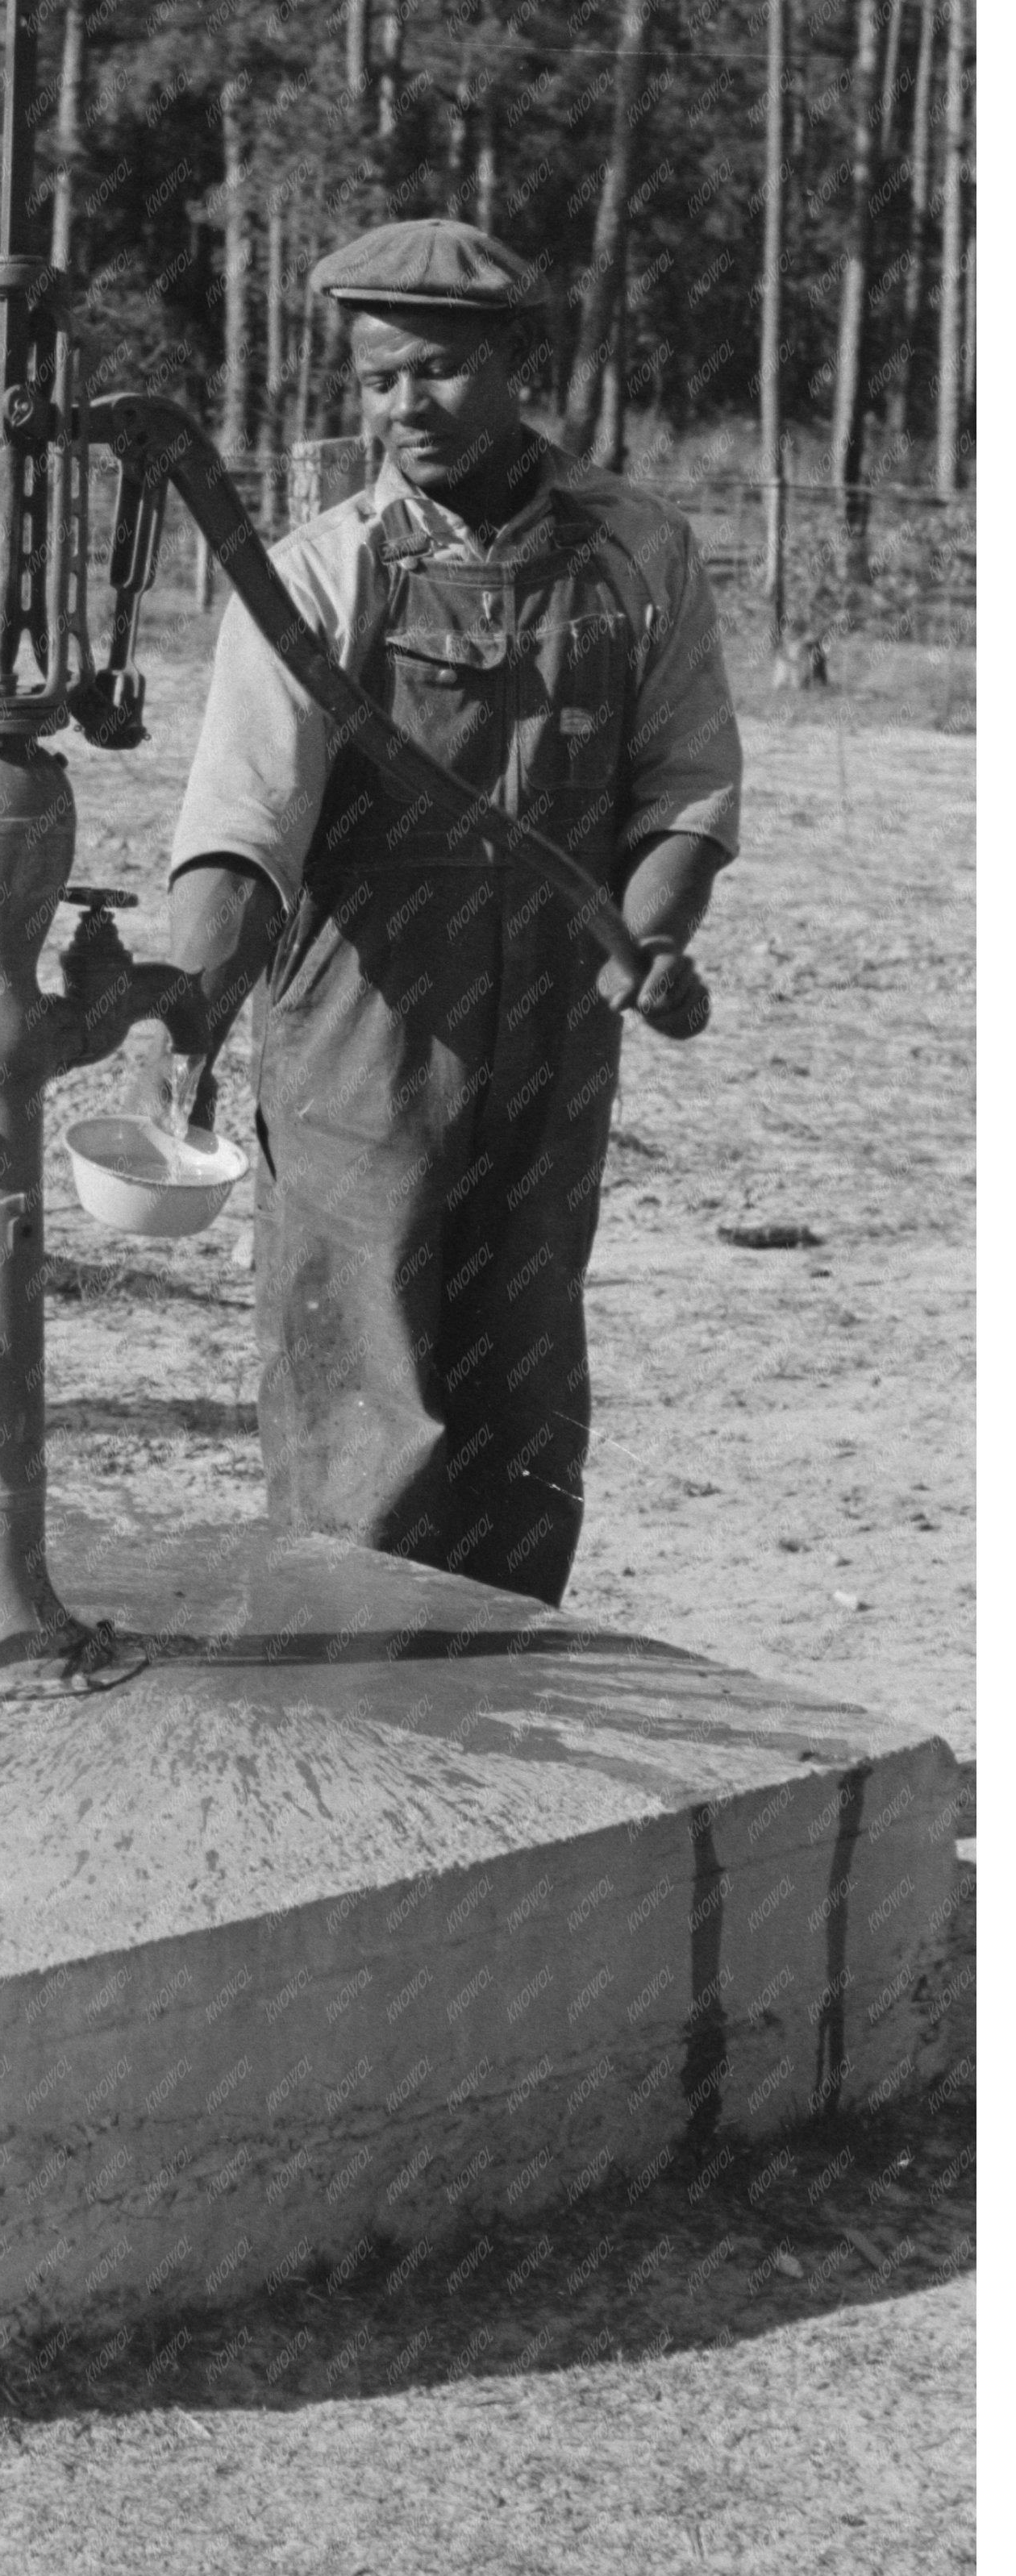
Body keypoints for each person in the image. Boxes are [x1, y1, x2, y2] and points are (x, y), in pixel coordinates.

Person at [163, 216, 742, 1608]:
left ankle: (499, 1702)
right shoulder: (317, 573)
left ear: (514, 364)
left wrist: (654, 934)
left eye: (434, 373)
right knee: (362, 1384)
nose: (400, 410)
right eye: (373, 381)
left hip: (558, 1020)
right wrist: (186, 994)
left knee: (522, 1373)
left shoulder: (635, 552)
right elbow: (243, 821)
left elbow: (685, 784)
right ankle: (346, 1705)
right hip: (365, 1032)